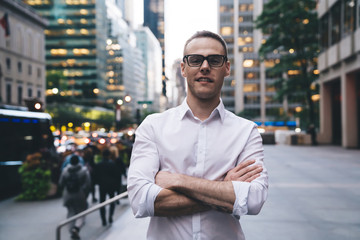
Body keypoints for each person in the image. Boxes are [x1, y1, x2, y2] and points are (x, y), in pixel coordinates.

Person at [127, 30, 269, 240]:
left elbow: (254, 199)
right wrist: (223, 190)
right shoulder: (153, 126)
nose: (204, 67)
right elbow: (140, 200)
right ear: (183, 68)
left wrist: (176, 181)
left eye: (214, 60)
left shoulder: (246, 131)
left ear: (226, 68)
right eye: (195, 60)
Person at [59, 155, 91, 240]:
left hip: (68, 194)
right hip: (79, 194)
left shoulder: (65, 170)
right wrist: (85, 193)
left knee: (71, 212)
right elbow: (88, 184)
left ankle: (71, 230)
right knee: (81, 212)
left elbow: (61, 183)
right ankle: (76, 228)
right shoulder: (84, 170)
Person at [94, 148, 119, 226]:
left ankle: (103, 220)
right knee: (112, 202)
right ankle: (110, 216)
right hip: (111, 186)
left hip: (102, 186)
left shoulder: (98, 165)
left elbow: (95, 176)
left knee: (102, 203)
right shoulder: (112, 164)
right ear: (109, 155)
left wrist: (98, 183)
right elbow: (116, 175)